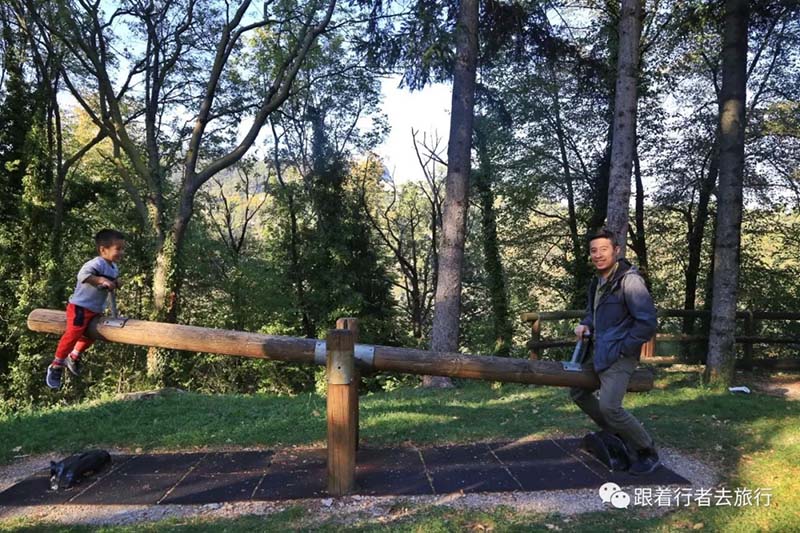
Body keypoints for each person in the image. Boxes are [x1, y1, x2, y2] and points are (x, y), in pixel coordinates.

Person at [571, 227, 660, 475]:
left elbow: (647, 322)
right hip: (599, 352)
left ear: (616, 251)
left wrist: (624, 348)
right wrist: (586, 324)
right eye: (594, 251)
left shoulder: (630, 281)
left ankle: (646, 450)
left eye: (604, 249)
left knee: (610, 407)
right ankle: (617, 432)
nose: (598, 255)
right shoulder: (597, 282)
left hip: (619, 355)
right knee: (578, 392)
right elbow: (593, 312)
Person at [45, 229, 126, 390]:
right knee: (73, 333)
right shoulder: (96, 264)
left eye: (123, 249)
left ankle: (74, 355)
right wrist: (101, 280)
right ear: (103, 249)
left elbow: (111, 281)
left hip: (95, 309)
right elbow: (83, 276)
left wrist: (116, 283)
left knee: (91, 335)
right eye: (118, 249)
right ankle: (56, 365)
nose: (122, 252)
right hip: (80, 307)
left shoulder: (113, 267)